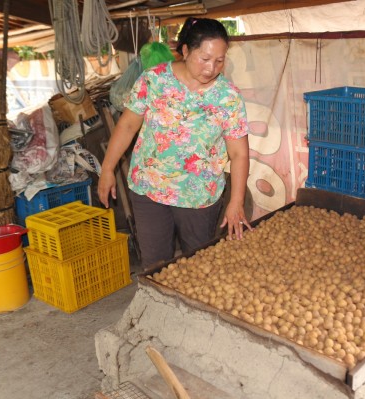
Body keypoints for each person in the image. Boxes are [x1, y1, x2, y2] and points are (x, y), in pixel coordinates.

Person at [98, 17, 252, 268]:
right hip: (150, 187)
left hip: (199, 194)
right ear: (185, 50)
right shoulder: (154, 80)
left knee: (198, 263)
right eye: (204, 58)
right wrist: (107, 169)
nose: (211, 68)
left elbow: (239, 154)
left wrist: (236, 202)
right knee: (155, 265)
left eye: (219, 60)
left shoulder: (228, 97)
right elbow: (127, 125)